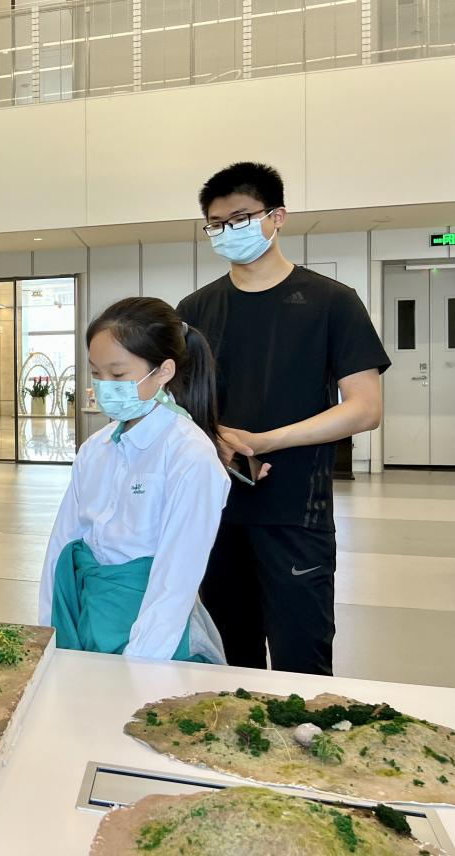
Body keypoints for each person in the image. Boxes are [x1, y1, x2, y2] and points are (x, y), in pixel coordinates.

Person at [178, 162, 389, 675]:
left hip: (296, 511)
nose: (228, 231)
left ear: (277, 217)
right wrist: (213, 438)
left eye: (241, 218)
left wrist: (268, 440)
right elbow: (179, 404)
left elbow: (365, 407)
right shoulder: (195, 310)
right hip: (215, 509)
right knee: (228, 662)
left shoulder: (332, 302)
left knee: (303, 660)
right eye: (216, 224)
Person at [38, 298, 229, 662]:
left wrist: (139, 664)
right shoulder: (95, 449)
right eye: (96, 374)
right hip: (89, 622)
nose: (104, 386)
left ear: (163, 371)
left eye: (118, 374)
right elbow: (62, 546)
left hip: (156, 637)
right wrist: (51, 632)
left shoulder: (189, 454)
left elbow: (176, 579)